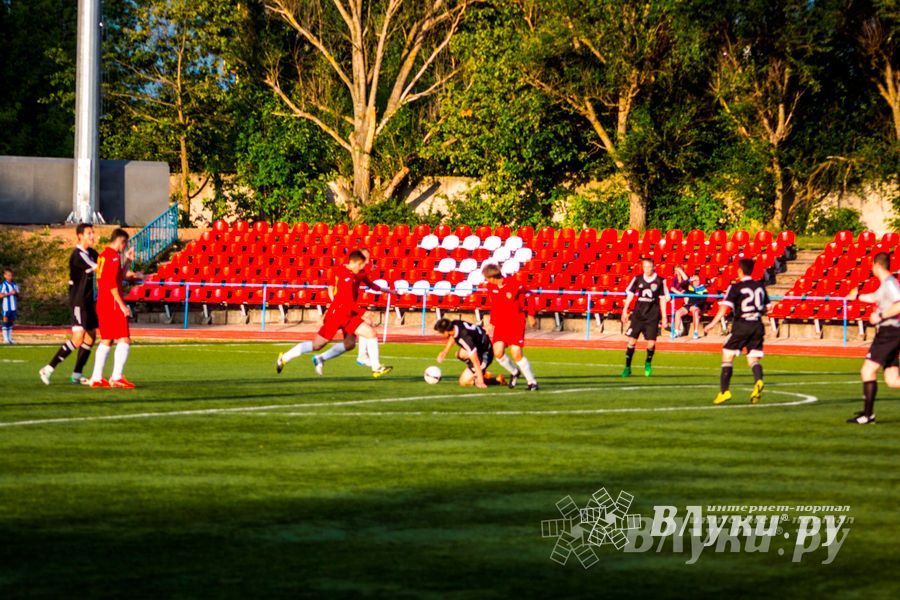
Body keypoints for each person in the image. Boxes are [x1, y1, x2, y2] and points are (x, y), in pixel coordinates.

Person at [277, 250, 392, 377]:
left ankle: (376, 368)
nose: (363, 267)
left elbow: (364, 279)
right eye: (361, 264)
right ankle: (285, 357)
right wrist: (363, 312)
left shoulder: (353, 273)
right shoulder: (345, 276)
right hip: (337, 315)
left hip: (348, 313)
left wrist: (385, 288)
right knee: (317, 345)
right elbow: (346, 300)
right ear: (353, 262)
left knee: (361, 338)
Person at [40, 223, 99, 384]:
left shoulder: (92, 252)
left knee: (91, 336)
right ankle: (48, 369)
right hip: (78, 302)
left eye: (93, 232)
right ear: (80, 235)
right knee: (78, 338)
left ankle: (77, 375)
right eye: (89, 233)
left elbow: (104, 264)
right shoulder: (78, 255)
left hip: (88, 301)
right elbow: (100, 267)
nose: (93, 236)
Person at [703, 258, 768, 405]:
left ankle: (724, 391)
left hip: (742, 326)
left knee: (727, 355)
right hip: (757, 326)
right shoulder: (760, 287)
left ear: (739, 271)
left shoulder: (735, 287)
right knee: (753, 358)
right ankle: (758, 381)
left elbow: (724, 307)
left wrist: (712, 323)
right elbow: (767, 307)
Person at [845, 252, 900, 424]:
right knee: (893, 380)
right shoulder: (885, 284)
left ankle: (867, 415)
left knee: (867, 371)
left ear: (876, 265)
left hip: (889, 333)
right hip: (890, 333)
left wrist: (880, 316)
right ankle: (867, 414)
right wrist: (858, 296)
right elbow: (875, 297)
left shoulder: (890, 283)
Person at [88, 228, 144, 388]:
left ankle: (97, 377)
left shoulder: (103, 256)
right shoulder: (112, 257)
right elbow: (112, 284)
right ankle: (116, 377)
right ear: (121, 241)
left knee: (107, 339)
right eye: (125, 244)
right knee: (124, 338)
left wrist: (127, 261)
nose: (125, 248)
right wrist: (122, 305)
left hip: (102, 302)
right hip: (112, 303)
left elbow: (117, 277)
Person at [481, 263, 539, 390]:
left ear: (492, 277)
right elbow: (495, 306)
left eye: (486, 278)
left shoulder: (514, 284)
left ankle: (532, 382)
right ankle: (514, 372)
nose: (486, 280)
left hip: (516, 323)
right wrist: (492, 323)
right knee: (498, 353)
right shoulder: (491, 287)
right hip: (501, 324)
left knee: (516, 353)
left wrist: (531, 315)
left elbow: (530, 295)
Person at [621, 257, 670, 377]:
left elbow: (663, 299)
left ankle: (648, 363)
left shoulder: (660, 281)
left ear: (654, 267)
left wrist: (664, 317)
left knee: (651, 344)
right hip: (638, 315)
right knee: (632, 341)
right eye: (645, 267)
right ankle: (627, 367)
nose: (647, 269)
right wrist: (624, 311)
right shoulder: (637, 279)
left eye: (649, 267)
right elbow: (630, 295)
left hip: (652, 316)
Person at [434, 318, 506, 388]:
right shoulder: (455, 324)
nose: (441, 334)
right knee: (459, 354)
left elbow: (476, 360)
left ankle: (497, 380)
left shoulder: (466, 339)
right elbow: (453, 336)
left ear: (446, 332)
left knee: (464, 382)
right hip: (479, 346)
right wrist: (445, 352)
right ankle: (479, 372)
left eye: (441, 333)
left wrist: (480, 381)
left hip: (485, 354)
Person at [1, 268, 19, 344]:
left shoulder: (15, 284)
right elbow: (0, 295)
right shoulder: (3, 285)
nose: (10, 277)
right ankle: (5, 339)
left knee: (11, 322)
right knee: (5, 321)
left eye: (11, 275)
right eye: (8, 275)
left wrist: (16, 293)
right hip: (6, 306)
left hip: (13, 306)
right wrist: (9, 293)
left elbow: (18, 294)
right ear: (5, 276)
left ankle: (10, 338)